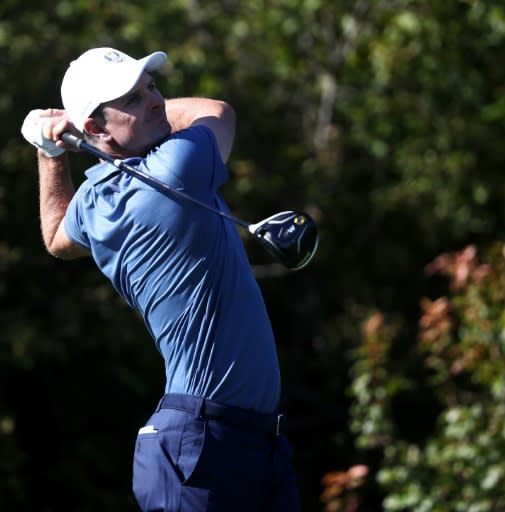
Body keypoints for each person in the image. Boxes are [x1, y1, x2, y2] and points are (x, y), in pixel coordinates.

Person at [20, 47, 301, 511]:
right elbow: (216, 111)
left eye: (151, 87)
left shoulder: (95, 199)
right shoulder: (178, 170)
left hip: (248, 441)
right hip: (202, 442)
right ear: (94, 127)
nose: (155, 101)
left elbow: (55, 235)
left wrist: (50, 151)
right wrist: (71, 129)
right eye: (131, 100)